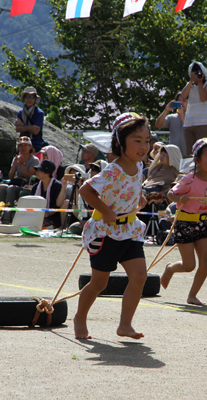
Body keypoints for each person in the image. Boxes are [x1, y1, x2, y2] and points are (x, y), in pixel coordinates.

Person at [74, 112, 149, 340]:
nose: (143, 146)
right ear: (120, 142)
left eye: (147, 141)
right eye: (137, 140)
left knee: (139, 276)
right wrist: (106, 211)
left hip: (129, 230)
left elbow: (129, 188)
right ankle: (79, 318)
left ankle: (125, 325)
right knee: (99, 283)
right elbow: (86, 190)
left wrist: (140, 198)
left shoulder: (138, 167)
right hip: (105, 232)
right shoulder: (113, 169)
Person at [162, 137, 207, 305]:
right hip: (184, 223)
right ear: (197, 160)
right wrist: (179, 198)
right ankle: (170, 268)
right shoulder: (188, 179)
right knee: (189, 265)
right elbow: (170, 194)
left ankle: (192, 295)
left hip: (203, 223)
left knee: (206, 261)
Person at [0, 136, 40, 222]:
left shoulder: (34, 160)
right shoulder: (16, 159)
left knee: (11, 189)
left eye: (25, 145)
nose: (23, 148)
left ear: (30, 147)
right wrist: (15, 166)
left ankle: (9, 213)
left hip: (26, 184)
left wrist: (21, 165)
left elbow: (30, 177)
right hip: (16, 182)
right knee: (1, 187)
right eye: (21, 145)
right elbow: (11, 177)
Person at [181, 62, 207, 154]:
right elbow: (183, 96)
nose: (197, 75)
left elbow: (203, 98)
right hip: (189, 123)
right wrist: (191, 81)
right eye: (194, 73)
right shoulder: (190, 85)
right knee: (190, 153)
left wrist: (200, 83)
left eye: (198, 72)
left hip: (203, 122)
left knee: (202, 152)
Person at [30, 160, 65, 229]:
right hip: (37, 215)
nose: (37, 172)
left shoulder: (57, 186)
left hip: (54, 217)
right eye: (37, 170)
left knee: (40, 226)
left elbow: (57, 205)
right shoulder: (35, 187)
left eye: (40, 170)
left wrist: (47, 213)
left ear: (47, 173)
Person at [15, 87, 48, 153]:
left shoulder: (39, 113)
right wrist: (31, 127)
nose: (29, 99)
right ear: (24, 98)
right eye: (27, 96)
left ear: (35, 99)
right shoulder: (20, 113)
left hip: (35, 145)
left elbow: (36, 131)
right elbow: (17, 129)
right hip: (23, 143)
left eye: (32, 97)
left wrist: (23, 125)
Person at [155, 92, 188, 157]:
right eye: (179, 101)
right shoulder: (171, 117)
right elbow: (158, 125)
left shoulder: (194, 117)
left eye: (184, 100)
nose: (181, 103)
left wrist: (183, 119)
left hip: (188, 155)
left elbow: (191, 131)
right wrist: (166, 110)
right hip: (173, 156)